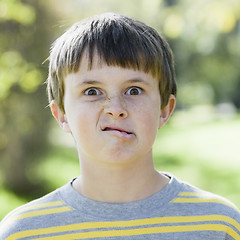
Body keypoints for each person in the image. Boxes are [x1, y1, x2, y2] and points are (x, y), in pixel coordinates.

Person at [0, 12, 239, 240]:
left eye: (134, 90)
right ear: (61, 114)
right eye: (92, 91)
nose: (115, 108)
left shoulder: (219, 225)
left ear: (165, 109)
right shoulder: (22, 232)